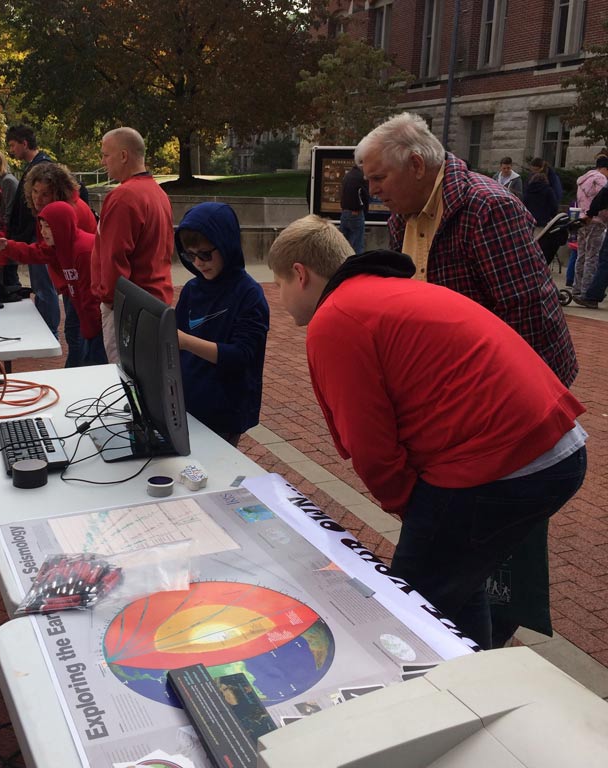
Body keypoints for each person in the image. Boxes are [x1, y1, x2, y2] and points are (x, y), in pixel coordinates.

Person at [267, 215, 587, 650]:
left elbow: (371, 445)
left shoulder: (337, 318)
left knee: (409, 615)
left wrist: (409, 509)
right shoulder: (390, 290)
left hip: (503, 463)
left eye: (280, 283)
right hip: (551, 445)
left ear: (300, 274)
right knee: (456, 578)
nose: (280, 298)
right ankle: (472, 672)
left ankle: (438, 698)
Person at [355, 112, 577, 389]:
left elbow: (526, 312)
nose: (372, 190)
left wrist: (509, 395)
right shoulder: (402, 213)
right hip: (455, 378)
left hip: (510, 387)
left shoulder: (488, 207)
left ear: (417, 165)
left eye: (378, 177)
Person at [174, 203, 269, 446]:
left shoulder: (249, 294)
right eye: (190, 255)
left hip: (224, 408)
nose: (198, 262)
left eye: (205, 254)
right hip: (189, 402)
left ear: (226, 244)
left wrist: (185, 342)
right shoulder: (193, 289)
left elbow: (241, 355)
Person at [0, 165, 104, 366]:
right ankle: (78, 368)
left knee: (79, 329)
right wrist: (10, 247)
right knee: (76, 328)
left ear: (58, 192)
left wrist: (68, 287)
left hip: (80, 281)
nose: (38, 198)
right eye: (35, 192)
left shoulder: (68, 214)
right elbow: (46, 250)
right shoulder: (50, 214)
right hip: (73, 280)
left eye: (45, 194)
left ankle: (78, 370)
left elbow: (56, 253)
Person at [91, 127, 174, 363]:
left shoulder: (124, 196)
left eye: (106, 155)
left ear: (124, 156)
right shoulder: (157, 193)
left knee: (127, 382)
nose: (103, 161)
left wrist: (109, 300)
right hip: (154, 301)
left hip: (131, 309)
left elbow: (114, 258)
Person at [5, 124, 58, 334]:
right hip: (35, 234)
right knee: (41, 287)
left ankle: (49, 330)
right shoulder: (36, 166)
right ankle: (47, 329)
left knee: (44, 287)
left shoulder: (41, 167)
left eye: (13, 145)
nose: (11, 150)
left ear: (24, 144)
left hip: (39, 235)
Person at [573, 156, 608, 301]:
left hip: (582, 219)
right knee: (592, 256)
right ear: (605, 169)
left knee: (581, 255)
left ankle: (576, 287)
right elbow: (603, 200)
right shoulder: (600, 179)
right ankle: (587, 290)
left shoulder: (583, 180)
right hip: (596, 220)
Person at [522, 172, 563, 266]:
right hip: (543, 223)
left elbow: (523, 205)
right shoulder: (548, 190)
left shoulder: (528, 190)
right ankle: (538, 265)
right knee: (540, 246)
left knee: (529, 245)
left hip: (529, 222)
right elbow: (554, 206)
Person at [338, 164, 369, 254]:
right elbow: (365, 196)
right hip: (356, 212)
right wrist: (364, 210)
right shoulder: (361, 177)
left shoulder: (348, 175)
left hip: (344, 212)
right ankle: (357, 266)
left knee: (344, 244)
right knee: (357, 245)